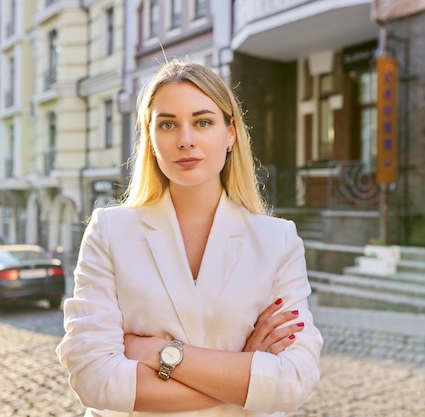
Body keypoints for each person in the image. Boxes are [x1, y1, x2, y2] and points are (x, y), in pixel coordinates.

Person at [56, 60, 324, 416]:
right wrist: (245, 375)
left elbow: (293, 380)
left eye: (202, 122)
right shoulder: (109, 232)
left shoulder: (277, 240)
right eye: (167, 124)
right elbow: (94, 378)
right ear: (149, 137)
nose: (186, 140)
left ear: (230, 133)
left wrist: (161, 354)